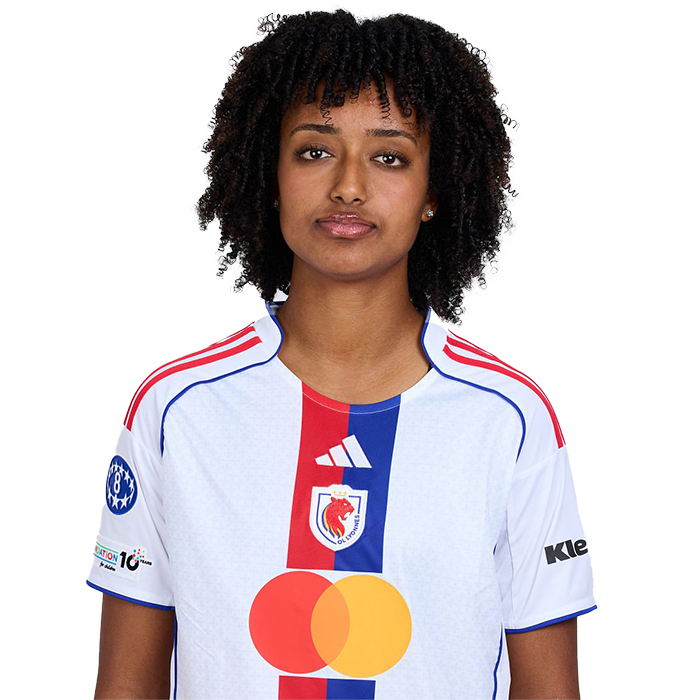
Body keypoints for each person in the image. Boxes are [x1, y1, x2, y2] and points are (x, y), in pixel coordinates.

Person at [87, 8, 596, 699]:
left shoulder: (510, 419)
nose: (349, 186)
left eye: (389, 157)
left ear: (433, 192)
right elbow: (125, 687)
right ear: (269, 175)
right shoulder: (176, 410)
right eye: (314, 151)